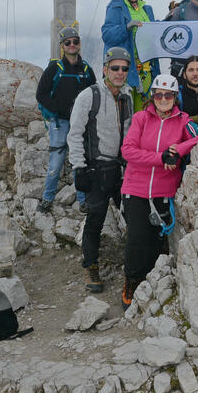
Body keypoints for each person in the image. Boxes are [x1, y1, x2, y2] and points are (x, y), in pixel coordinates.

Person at [120, 74, 198, 309]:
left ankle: (152, 282)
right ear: (152, 97)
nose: (163, 99)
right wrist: (160, 157)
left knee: (157, 241)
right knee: (137, 238)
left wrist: (177, 149)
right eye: (159, 94)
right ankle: (132, 281)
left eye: (168, 95)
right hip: (135, 188)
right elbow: (128, 150)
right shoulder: (140, 118)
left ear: (175, 97)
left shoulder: (183, 120)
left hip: (164, 190)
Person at [67, 47, 135, 293]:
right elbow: (74, 134)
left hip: (119, 169)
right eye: (114, 68)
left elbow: (129, 134)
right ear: (105, 69)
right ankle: (90, 266)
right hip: (95, 169)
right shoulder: (89, 95)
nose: (119, 72)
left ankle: (137, 263)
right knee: (95, 219)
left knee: (132, 215)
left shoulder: (127, 96)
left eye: (124, 68)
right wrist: (79, 167)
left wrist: (130, 164)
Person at [35, 24, 97, 213]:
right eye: (68, 42)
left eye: (75, 42)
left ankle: (82, 199)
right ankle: (47, 197)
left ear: (79, 44)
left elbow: (94, 94)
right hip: (60, 122)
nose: (72, 45)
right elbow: (41, 94)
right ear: (62, 45)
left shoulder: (86, 69)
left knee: (80, 160)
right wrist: (60, 110)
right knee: (57, 160)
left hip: (81, 123)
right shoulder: (55, 68)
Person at [101, 0, 156, 109]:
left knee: (143, 111)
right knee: (123, 112)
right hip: (124, 68)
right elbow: (107, 35)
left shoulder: (147, 9)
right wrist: (126, 28)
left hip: (146, 68)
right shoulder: (116, 6)